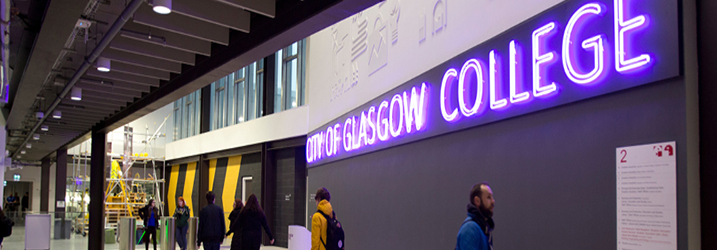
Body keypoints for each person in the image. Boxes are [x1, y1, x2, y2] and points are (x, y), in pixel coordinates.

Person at [455, 182, 495, 250]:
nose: (493, 201)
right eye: (488, 197)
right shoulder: (470, 229)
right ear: (477, 201)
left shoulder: (483, 229)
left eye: (492, 197)